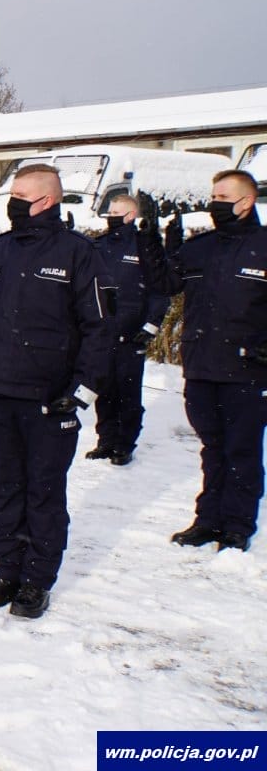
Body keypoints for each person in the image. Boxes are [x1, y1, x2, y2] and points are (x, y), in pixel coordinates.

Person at [0, 164, 113, 618]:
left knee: (44, 491)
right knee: (6, 489)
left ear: (47, 200)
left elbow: (100, 328)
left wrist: (82, 390)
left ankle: (36, 581)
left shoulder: (78, 253)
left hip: (51, 397)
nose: (13, 202)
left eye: (21, 194)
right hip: (1, 392)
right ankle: (6, 570)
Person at [139, 170, 267, 552]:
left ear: (245, 202)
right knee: (212, 447)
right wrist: (150, 237)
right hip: (201, 365)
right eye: (213, 196)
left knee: (241, 450)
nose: (215, 204)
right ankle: (208, 519)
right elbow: (165, 283)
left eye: (223, 197)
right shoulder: (201, 247)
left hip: (247, 369)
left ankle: (237, 525)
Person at [87, 194, 170, 466]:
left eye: (116, 211)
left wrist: (150, 325)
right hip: (103, 332)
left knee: (128, 392)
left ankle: (124, 444)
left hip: (131, 332)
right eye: (109, 210)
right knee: (104, 390)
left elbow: (160, 289)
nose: (111, 215)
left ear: (131, 215)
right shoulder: (99, 245)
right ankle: (106, 440)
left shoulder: (143, 245)